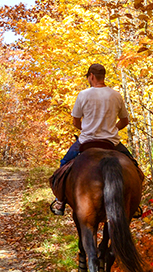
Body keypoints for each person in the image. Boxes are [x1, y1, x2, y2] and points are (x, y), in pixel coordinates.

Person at [50, 63, 137, 215]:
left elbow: (76, 121)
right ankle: (134, 204)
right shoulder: (116, 95)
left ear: (91, 76)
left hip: (86, 141)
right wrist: (112, 129)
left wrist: (88, 129)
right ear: (103, 76)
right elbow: (124, 121)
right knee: (134, 167)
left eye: (88, 77)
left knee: (63, 165)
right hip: (111, 142)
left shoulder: (83, 94)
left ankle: (60, 201)